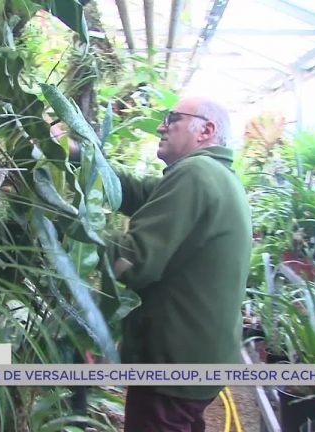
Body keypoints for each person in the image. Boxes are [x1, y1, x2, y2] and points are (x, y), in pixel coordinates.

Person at [101, 96, 253, 432]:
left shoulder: (196, 173)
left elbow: (135, 261)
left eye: (173, 118)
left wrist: (79, 225)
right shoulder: (214, 174)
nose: (161, 125)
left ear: (206, 130)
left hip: (174, 363)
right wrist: (83, 158)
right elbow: (139, 192)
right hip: (200, 356)